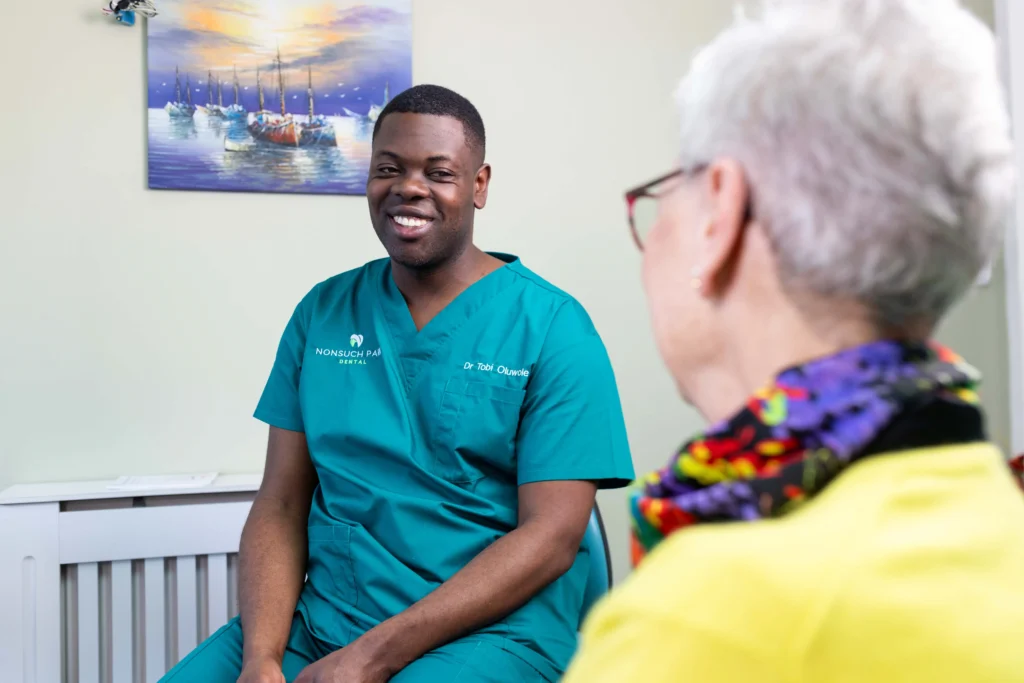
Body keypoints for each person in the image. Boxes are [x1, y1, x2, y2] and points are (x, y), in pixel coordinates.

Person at [564, 0, 1024, 681]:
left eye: (665, 194)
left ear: (721, 210)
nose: (650, 240)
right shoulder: (999, 523)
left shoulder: (701, 623)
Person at [162, 85, 633, 683]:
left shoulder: (553, 329)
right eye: (388, 168)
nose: (409, 188)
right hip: (325, 622)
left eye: (439, 172)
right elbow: (280, 503)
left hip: (489, 634)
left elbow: (553, 536)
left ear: (480, 185)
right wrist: (262, 658)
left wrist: (368, 659)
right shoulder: (323, 313)